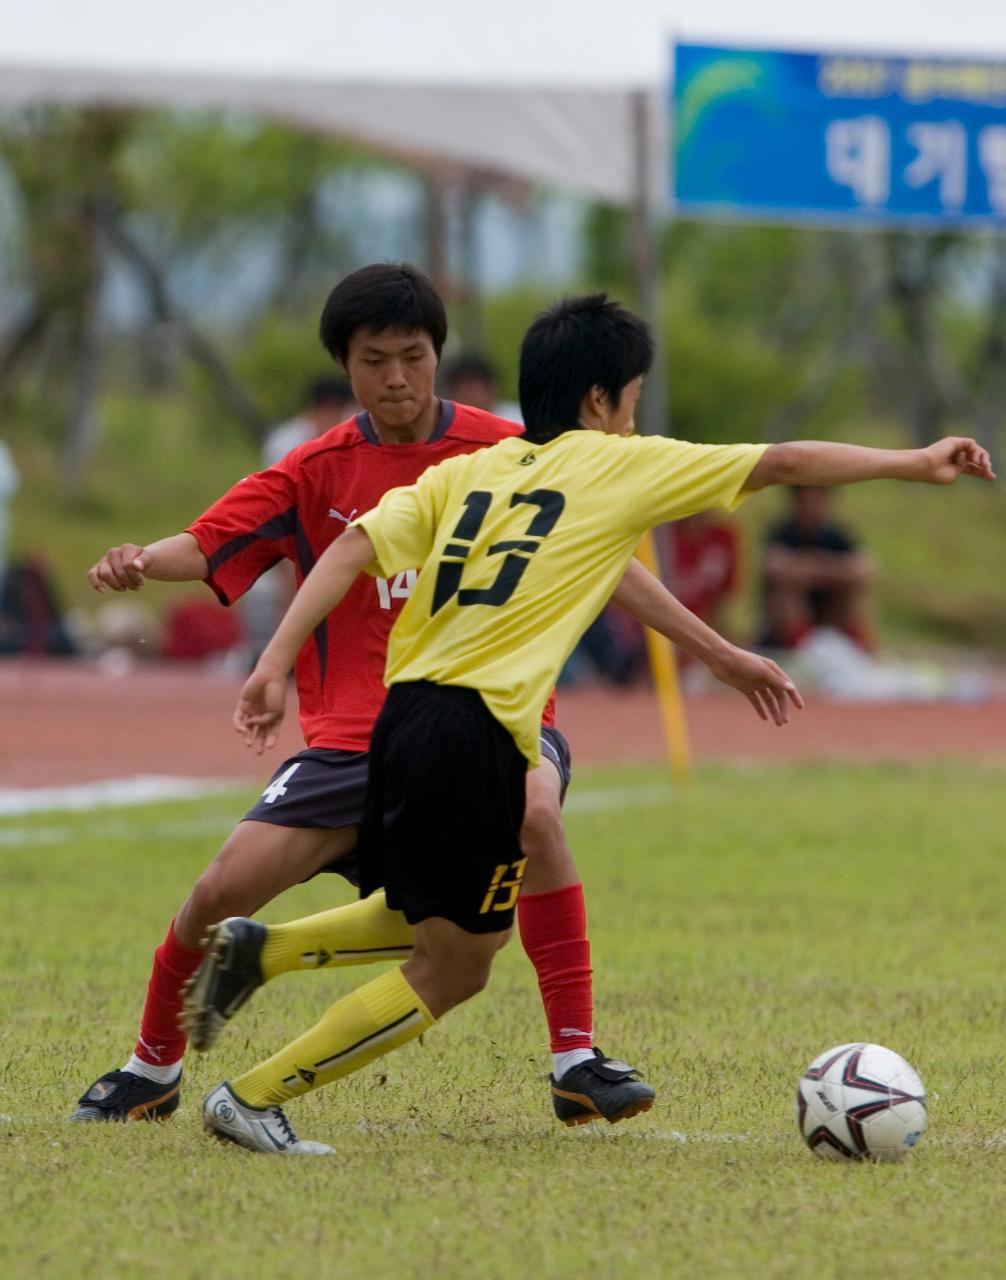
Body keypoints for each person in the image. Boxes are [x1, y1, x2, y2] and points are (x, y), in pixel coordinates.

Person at [191, 292, 991, 1155]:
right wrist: (917, 460)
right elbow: (785, 460)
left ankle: (261, 949)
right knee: (456, 964)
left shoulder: (467, 474)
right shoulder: (617, 464)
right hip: (478, 735)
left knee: (452, 922)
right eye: (634, 400)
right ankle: (255, 1094)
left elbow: (348, 549)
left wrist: (272, 662)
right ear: (602, 401)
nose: (634, 418)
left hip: (405, 719)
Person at [75, 264, 796, 1129]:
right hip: (352, 736)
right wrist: (141, 561)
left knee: (536, 817)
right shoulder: (313, 470)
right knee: (218, 890)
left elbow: (605, 563)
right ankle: (152, 1066)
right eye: (374, 360)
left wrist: (715, 652)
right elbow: (208, 542)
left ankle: (575, 1056)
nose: (396, 379)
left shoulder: (509, 447)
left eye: (413, 356)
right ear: (345, 365)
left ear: (437, 356)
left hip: (499, 718)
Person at [759, 485, 874, 651]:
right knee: (788, 590)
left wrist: (819, 569)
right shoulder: (783, 533)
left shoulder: (836, 537)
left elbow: (865, 568)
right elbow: (774, 565)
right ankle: (800, 645)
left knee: (853, 592)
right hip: (786, 624)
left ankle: (860, 651)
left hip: (829, 615)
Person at [442, 352, 522, 423]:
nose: (467, 395)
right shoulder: (444, 424)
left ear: (492, 388)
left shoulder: (518, 419)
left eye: (472, 388)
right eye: (460, 389)